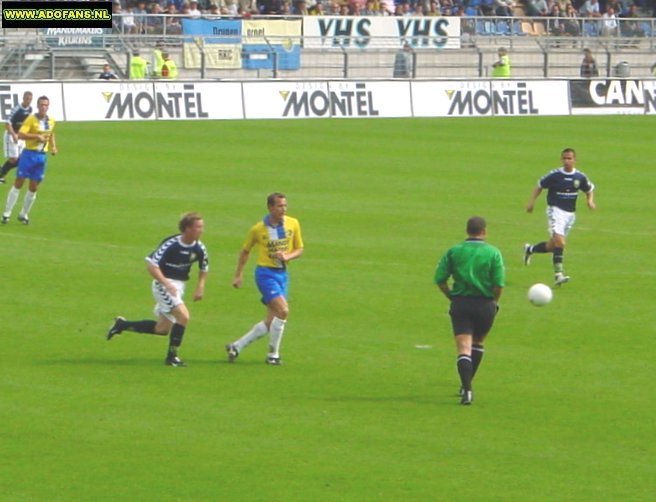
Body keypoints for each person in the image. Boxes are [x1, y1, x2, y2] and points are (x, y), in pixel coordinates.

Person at [106, 212, 209, 367]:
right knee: (184, 317)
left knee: (162, 329)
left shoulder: (199, 247)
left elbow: (204, 267)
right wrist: (166, 283)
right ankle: (172, 357)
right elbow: (152, 265)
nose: (202, 230)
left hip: (179, 286)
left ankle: (122, 325)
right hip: (163, 285)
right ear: (188, 229)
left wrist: (200, 286)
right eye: (198, 227)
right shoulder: (171, 244)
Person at [226, 193, 304, 365]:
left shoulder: (293, 223)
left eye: (285, 205)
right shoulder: (258, 229)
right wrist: (238, 275)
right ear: (270, 208)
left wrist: (288, 256)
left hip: (282, 274)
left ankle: (236, 346)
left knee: (271, 321)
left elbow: (300, 249)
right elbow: (245, 251)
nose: (283, 209)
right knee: (283, 311)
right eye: (279, 206)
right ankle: (273, 355)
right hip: (265, 274)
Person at [434, 216, 505, 406]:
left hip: (461, 304)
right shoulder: (493, 253)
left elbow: (440, 279)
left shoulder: (454, 251)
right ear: (484, 231)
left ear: (467, 231)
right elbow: (499, 284)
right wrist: (494, 303)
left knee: (463, 348)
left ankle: (467, 390)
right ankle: (466, 384)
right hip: (485, 305)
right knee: (478, 343)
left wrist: (452, 296)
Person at [524, 148, 596, 286]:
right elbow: (539, 186)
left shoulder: (580, 177)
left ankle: (529, 249)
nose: (567, 161)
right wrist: (531, 202)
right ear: (561, 160)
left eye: (569, 158)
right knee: (561, 242)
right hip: (555, 211)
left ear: (575, 160)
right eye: (564, 158)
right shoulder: (555, 175)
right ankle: (558, 275)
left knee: (552, 246)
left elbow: (589, 189)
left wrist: (590, 201)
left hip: (570, 215)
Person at [2, 95, 57, 225]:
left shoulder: (51, 120)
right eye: (42, 105)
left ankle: (23, 214)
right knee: (19, 182)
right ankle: (7, 213)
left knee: (33, 187)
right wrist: (36, 136)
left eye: (46, 105)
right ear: (38, 106)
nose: (44, 107)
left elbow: (51, 133)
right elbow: (21, 134)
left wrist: (54, 146)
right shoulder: (31, 119)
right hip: (29, 155)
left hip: (41, 157)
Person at [0, 91, 33, 184]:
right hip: (11, 135)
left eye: (30, 99)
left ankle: (2, 171)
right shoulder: (17, 109)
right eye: (27, 99)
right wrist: (14, 134)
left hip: (20, 136)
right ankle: (1, 174)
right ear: (23, 99)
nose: (28, 101)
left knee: (22, 158)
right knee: (13, 159)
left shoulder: (30, 109)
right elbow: (7, 124)